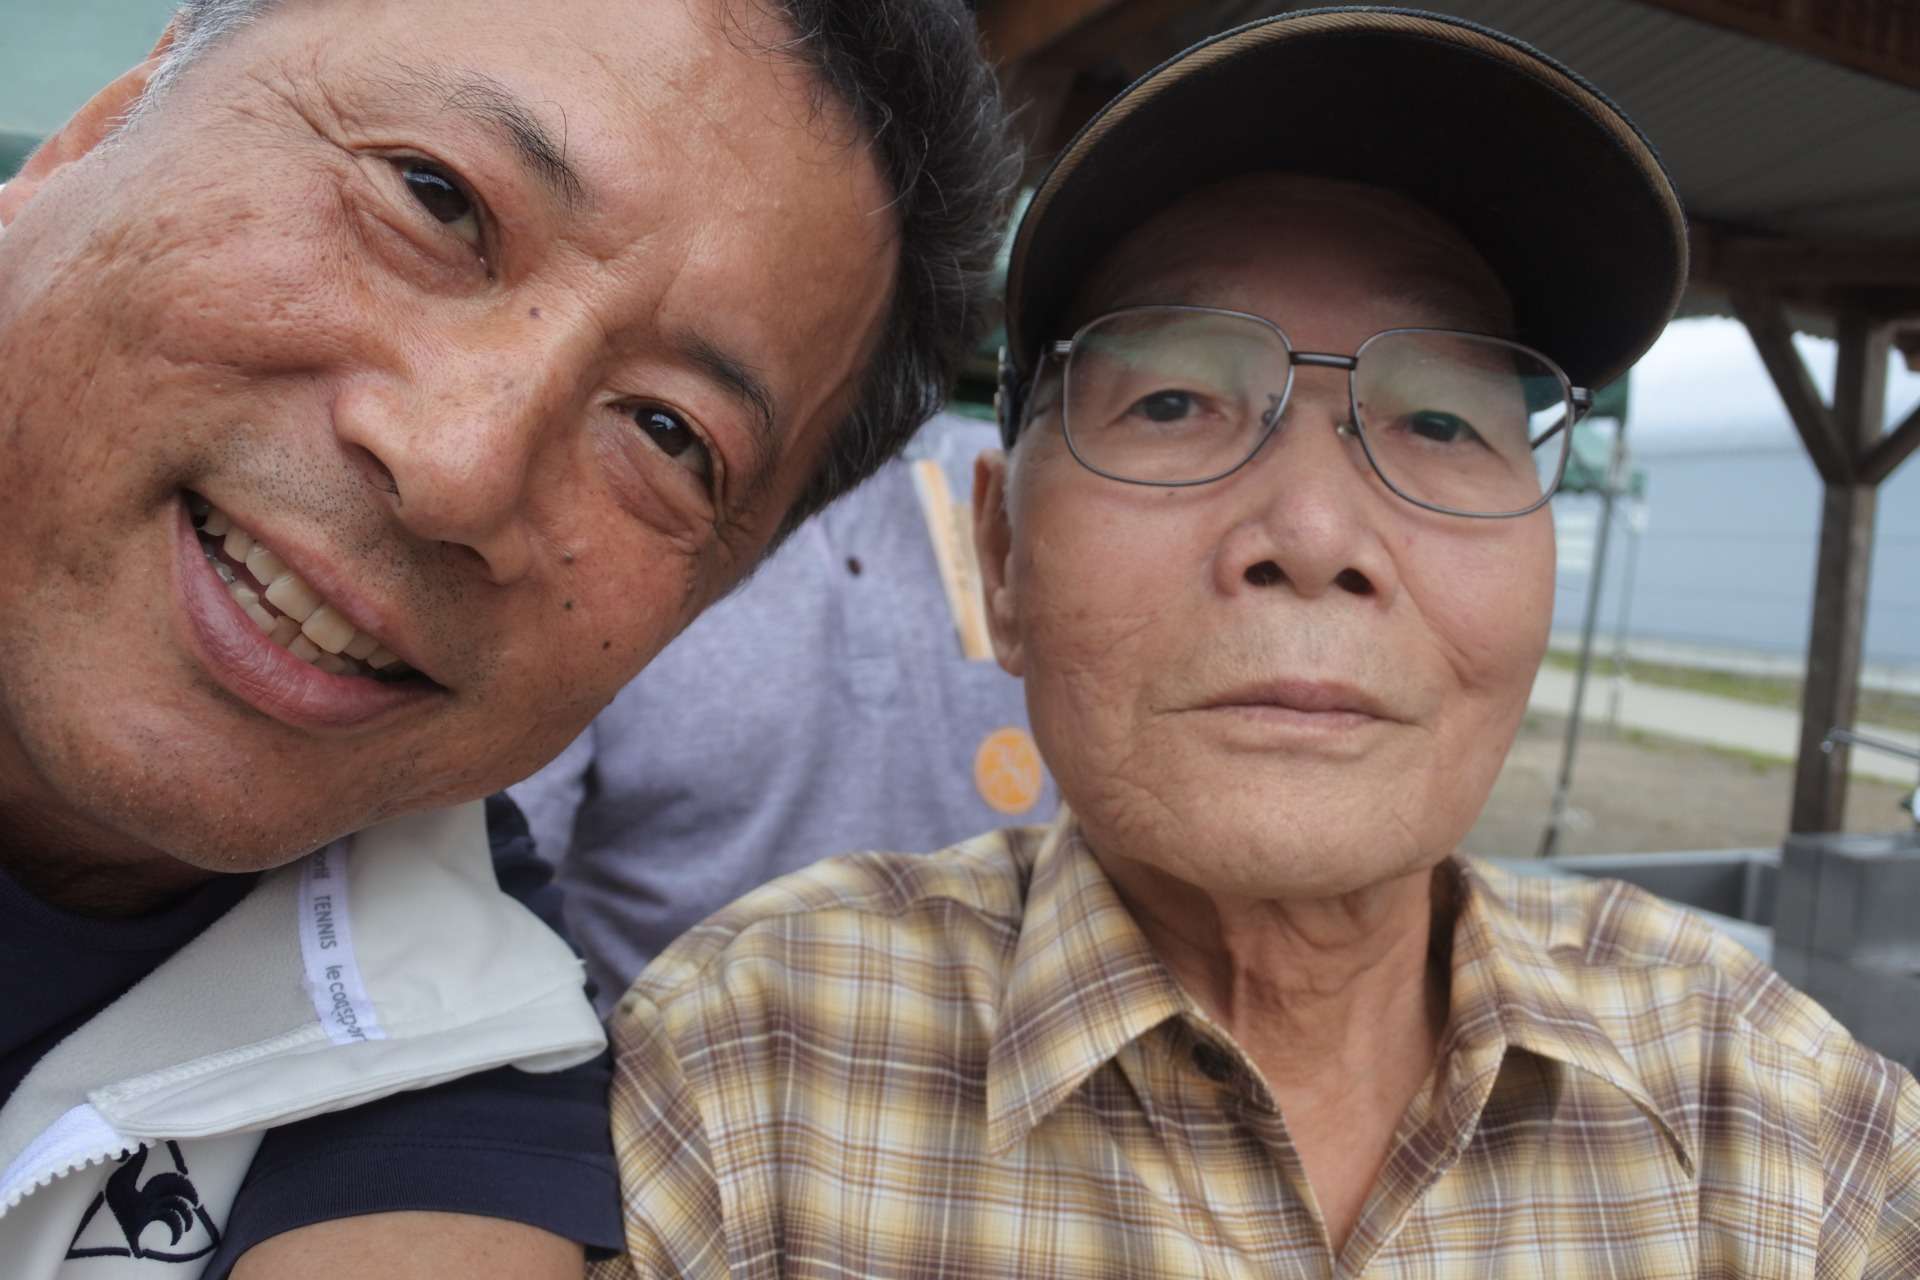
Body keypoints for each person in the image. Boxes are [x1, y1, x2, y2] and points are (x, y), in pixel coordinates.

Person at [597, 10, 1920, 1276]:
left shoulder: (1770, 1113)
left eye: (1445, 421)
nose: (1311, 527)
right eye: (1173, 399)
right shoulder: (746, 1083)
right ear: (1003, 559)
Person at [0, 0, 1015, 1275]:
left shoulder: (468, 1071)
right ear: (89, 139)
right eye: (434, 201)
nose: (461, 467)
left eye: (667, 435)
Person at [511, 411, 1056, 1009]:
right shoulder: (602, 511)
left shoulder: (1027, 493)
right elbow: (500, 907)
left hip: (1024, 1069)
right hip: (679, 1083)